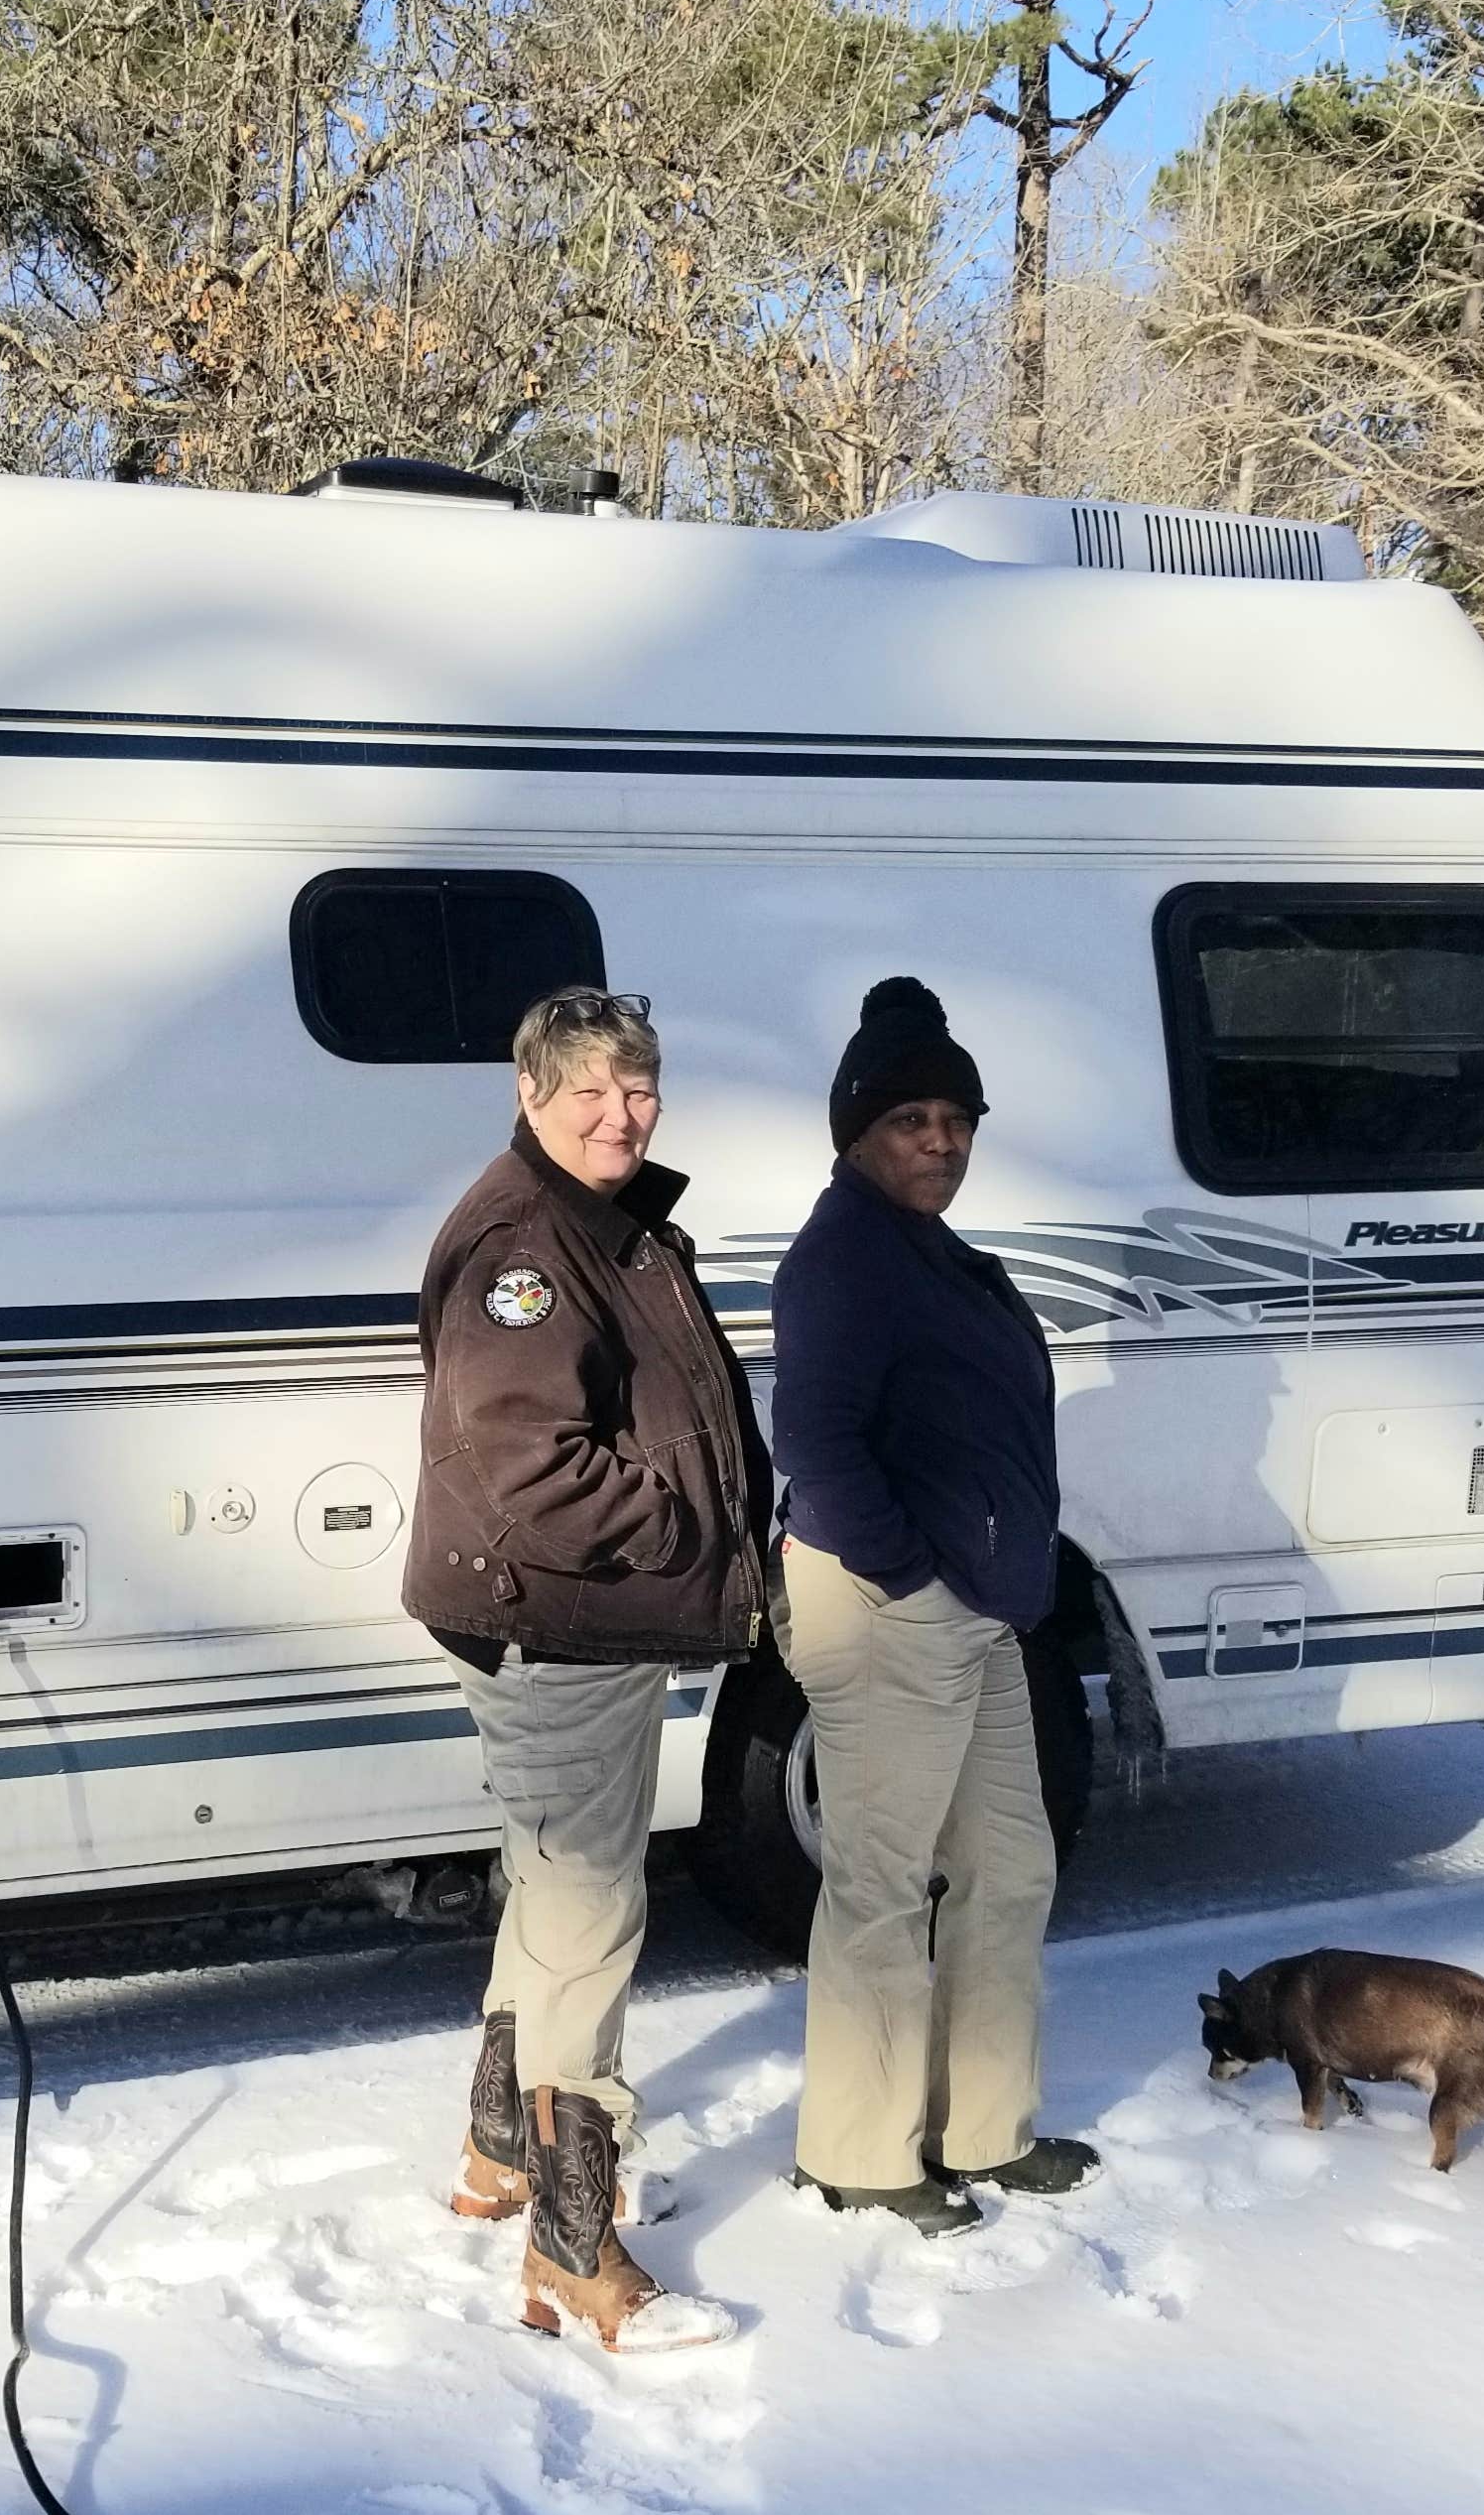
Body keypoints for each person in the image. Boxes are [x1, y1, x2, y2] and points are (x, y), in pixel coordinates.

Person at [404, 986, 769, 2352]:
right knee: (587, 1922)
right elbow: (528, 1461)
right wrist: (683, 1522)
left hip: (572, 1623)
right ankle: (573, 2246)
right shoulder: (528, 1244)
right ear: (530, 1091)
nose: (622, 1113)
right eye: (591, 1092)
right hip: (561, 1625)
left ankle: (502, 2151)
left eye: (642, 1086)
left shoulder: (592, 1215)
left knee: (551, 1896)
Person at [772, 975, 1097, 2238]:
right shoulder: (843, 1255)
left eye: (955, 1118)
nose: (939, 1140)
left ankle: (980, 2129)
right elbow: (815, 1441)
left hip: (974, 1609)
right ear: (856, 1129)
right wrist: (909, 1573)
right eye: (910, 1117)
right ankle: (857, 2150)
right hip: (888, 1606)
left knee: (1009, 1866)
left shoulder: (931, 1252)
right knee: (879, 1886)